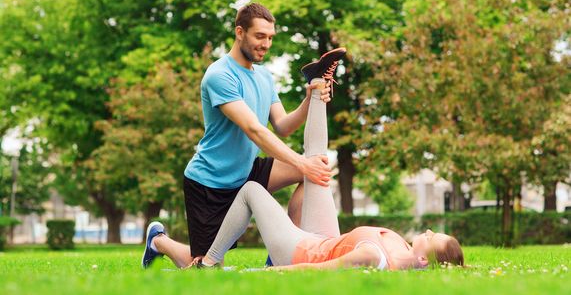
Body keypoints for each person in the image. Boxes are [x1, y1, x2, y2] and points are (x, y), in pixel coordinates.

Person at [143, 77, 464, 270]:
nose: (429, 232)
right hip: (320, 236)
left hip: (302, 251)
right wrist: (312, 101)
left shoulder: (377, 257)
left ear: (425, 261)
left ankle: (198, 259)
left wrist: (268, 274)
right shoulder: (402, 249)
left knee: (252, 191)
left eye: (433, 239)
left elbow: (320, 270)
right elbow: (276, 127)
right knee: (317, 167)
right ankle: (317, 86)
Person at [141, 2, 348, 268]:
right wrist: (300, 162)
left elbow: (283, 126)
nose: (266, 44)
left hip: (247, 170)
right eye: (259, 36)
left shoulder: (264, 76)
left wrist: (309, 100)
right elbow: (254, 130)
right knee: (203, 265)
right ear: (240, 32)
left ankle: (288, 252)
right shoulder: (219, 75)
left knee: (312, 170)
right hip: (211, 183)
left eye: (270, 37)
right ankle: (158, 240)